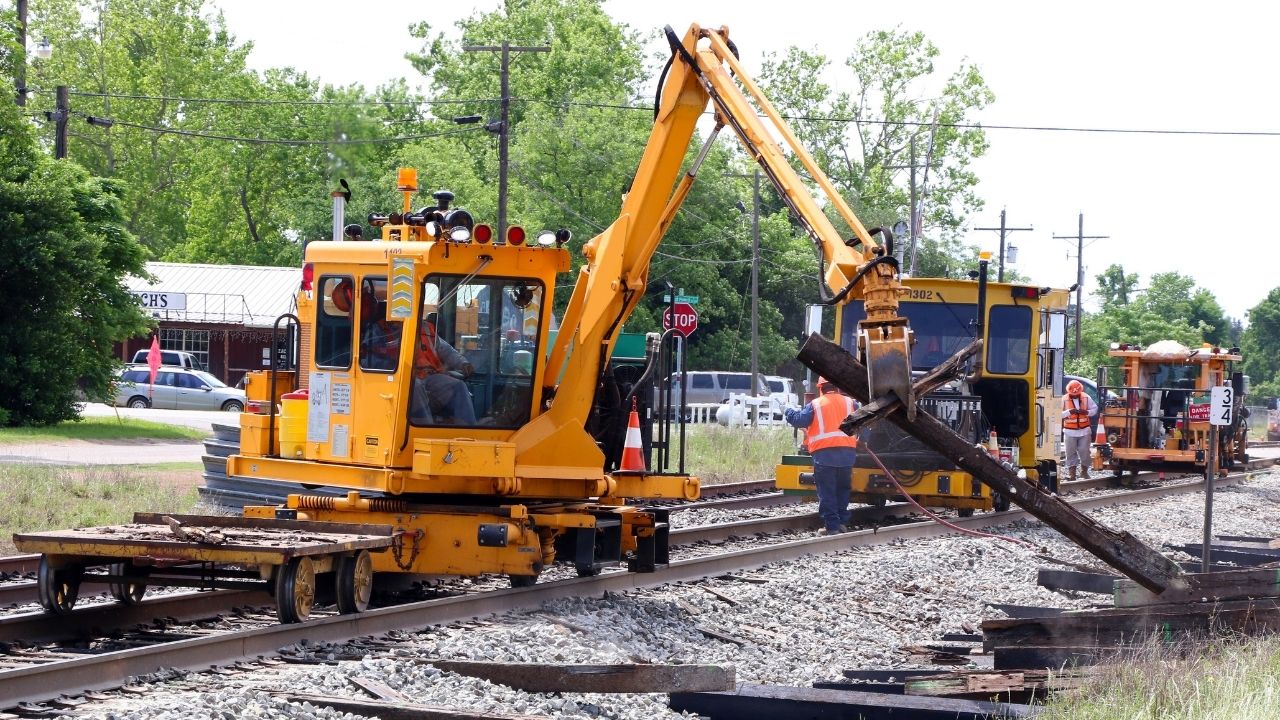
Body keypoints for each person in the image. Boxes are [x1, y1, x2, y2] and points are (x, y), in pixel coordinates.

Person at [785, 377, 858, 535]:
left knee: (827, 492)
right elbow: (864, 420)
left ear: (820, 388)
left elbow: (799, 420)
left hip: (825, 455)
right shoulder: (850, 403)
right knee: (842, 489)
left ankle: (832, 527)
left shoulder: (816, 404)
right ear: (838, 387)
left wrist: (788, 410)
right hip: (847, 455)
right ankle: (842, 522)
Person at [410, 314, 477, 425]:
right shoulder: (388, 328)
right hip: (407, 376)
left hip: (429, 375)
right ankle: (425, 429)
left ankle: (468, 431)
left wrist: (463, 363)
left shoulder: (426, 328)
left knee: (458, 386)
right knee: (415, 388)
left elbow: (446, 350)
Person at [1062, 379, 1098, 483]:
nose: (1075, 396)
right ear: (1069, 392)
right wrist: (1069, 412)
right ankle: (1072, 474)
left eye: (1077, 394)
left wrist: (1086, 412)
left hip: (1084, 431)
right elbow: (1057, 413)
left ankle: (1084, 472)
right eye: (1073, 395)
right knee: (1070, 452)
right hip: (1069, 431)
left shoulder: (1086, 397)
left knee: (1084, 452)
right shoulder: (1064, 399)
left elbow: (1094, 409)